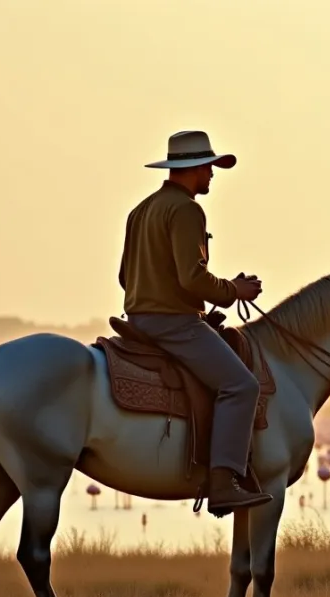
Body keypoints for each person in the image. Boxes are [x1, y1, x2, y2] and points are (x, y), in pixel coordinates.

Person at [118, 130, 272, 512]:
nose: (212, 175)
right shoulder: (187, 210)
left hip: (138, 318)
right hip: (173, 323)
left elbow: (125, 276)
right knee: (240, 385)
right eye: (209, 167)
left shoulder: (141, 210)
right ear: (191, 168)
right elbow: (192, 277)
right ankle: (223, 482)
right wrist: (233, 290)